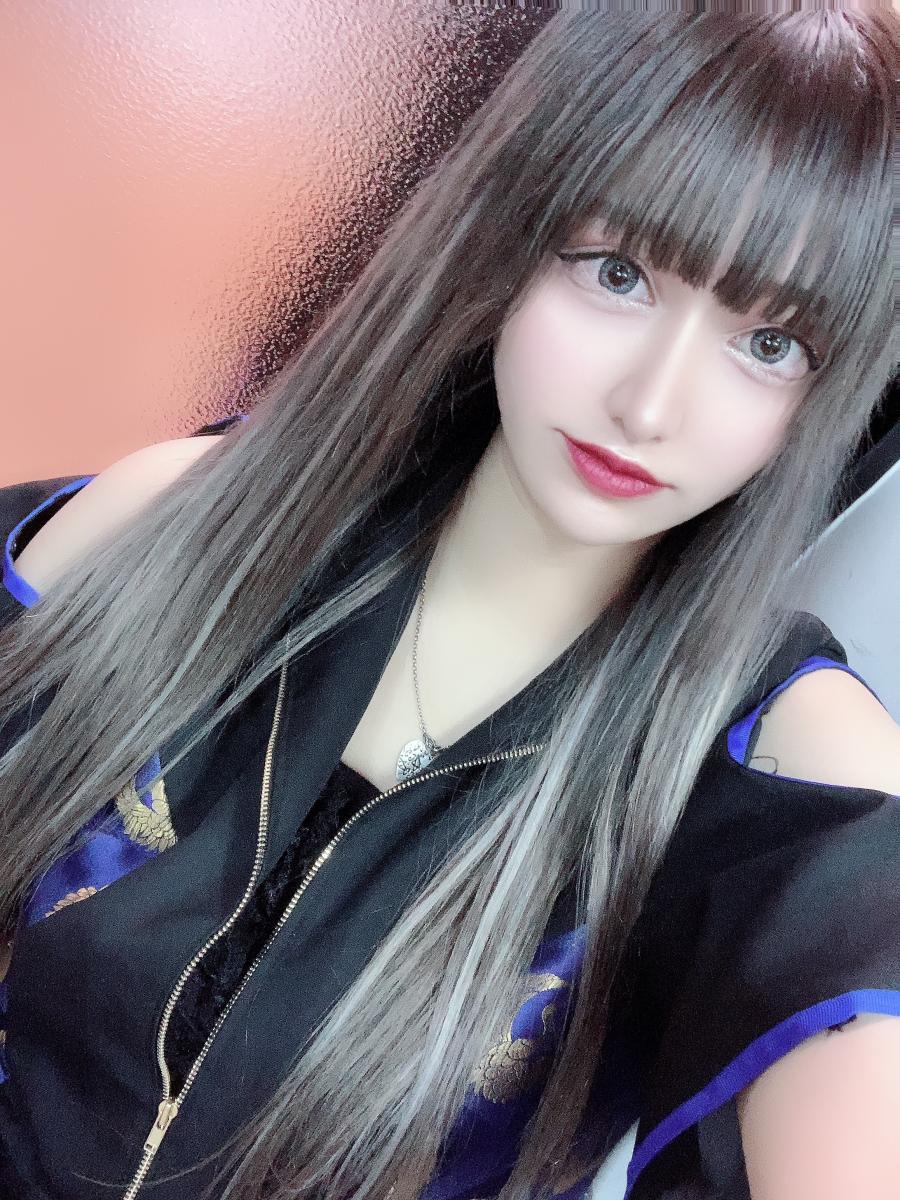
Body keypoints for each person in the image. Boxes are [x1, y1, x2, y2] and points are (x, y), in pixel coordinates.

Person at [0, 10, 898, 1200]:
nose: (651, 405)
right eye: (618, 274)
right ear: (512, 236)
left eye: (770, 344)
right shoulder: (193, 526)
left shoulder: (788, 768)